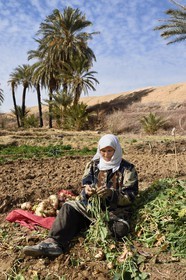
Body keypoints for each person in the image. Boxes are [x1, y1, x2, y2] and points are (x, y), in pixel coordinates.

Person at [23, 134, 138, 258]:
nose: (106, 154)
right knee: (68, 207)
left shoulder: (127, 169)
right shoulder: (93, 165)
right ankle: (53, 243)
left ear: (116, 149)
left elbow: (130, 196)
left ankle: (88, 226)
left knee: (120, 229)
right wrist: (87, 192)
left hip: (114, 213)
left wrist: (111, 194)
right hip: (90, 208)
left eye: (110, 150)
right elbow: (85, 186)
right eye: (103, 151)